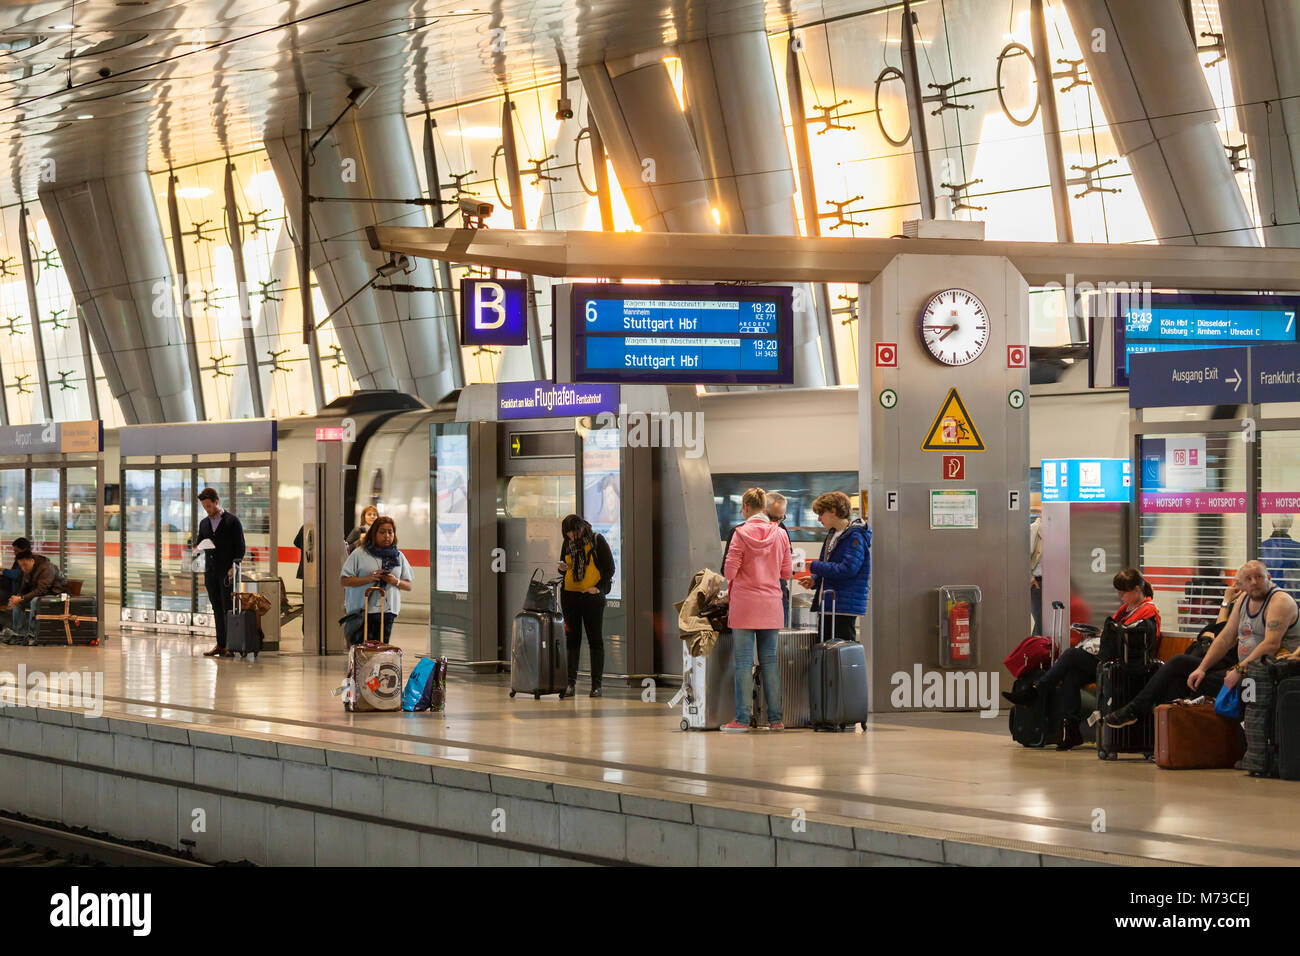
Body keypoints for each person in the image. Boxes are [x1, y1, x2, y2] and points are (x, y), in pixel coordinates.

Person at [1004, 568, 1160, 750]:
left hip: (1122, 665)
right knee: (1072, 676)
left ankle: (1036, 690)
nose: (1119, 596)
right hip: (1110, 660)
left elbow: (1132, 638)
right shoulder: (1127, 609)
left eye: (1122, 592)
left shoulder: (1148, 611)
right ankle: (1070, 730)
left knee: (1071, 655)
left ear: (1136, 589)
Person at [720, 488, 791, 733]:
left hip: (744, 606)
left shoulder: (740, 534)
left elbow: (728, 572)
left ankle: (741, 719)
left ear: (747, 508)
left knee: (743, 663)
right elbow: (786, 573)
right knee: (770, 661)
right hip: (771, 605)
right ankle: (776, 719)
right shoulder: (780, 534)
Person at [555, 514, 615, 698]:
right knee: (572, 640)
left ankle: (596, 685)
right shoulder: (567, 543)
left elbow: (610, 568)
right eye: (568, 534)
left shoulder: (597, 540)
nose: (571, 537)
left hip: (591, 598)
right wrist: (561, 568)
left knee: (595, 640)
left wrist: (598, 589)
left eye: (573, 533)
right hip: (570, 595)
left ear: (581, 528)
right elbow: (563, 565)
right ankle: (570, 684)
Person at [799, 491, 871, 643]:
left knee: (840, 652)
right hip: (830, 604)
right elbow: (829, 564)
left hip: (843, 605)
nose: (819, 519)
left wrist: (815, 567)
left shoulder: (854, 536)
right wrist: (815, 580)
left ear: (833, 510)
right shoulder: (833, 535)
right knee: (827, 649)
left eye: (821, 514)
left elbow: (848, 569)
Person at [340, 516, 413, 645]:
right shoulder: (359, 554)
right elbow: (344, 581)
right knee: (362, 652)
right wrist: (369, 579)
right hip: (363, 611)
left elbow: (408, 585)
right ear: (374, 533)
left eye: (390, 532)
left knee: (381, 651)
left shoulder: (398, 556)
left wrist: (394, 581)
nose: (387, 536)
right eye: (382, 532)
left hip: (387, 611)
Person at [195, 488, 245, 658]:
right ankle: (221, 644)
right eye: (204, 507)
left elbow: (240, 548)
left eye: (209, 506)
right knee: (216, 608)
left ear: (216, 502)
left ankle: (230, 645)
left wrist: (234, 568)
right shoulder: (203, 523)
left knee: (227, 608)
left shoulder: (232, 521)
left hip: (227, 572)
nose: (207, 510)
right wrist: (195, 548)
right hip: (210, 571)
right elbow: (199, 542)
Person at [3, 546, 65, 641]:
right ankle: (19, 634)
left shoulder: (46, 567)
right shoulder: (28, 569)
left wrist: (21, 598)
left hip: (56, 597)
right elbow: (23, 588)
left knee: (35, 601)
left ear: (32, 561)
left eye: (25, 565)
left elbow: (42, 590)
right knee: (18, 603)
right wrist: (16, 598)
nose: (23, 569)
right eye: (21, 566)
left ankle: (33, 635)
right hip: (40, 596)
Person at [1261, 516, 1300, 598]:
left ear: (1272, 524)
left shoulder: (1261, 547)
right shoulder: (1297, 548)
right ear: (1290, 524)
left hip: (1267, 597)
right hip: (1292, 598)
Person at [1029, 513, 1043, 635]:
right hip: (1038, 582)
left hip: (1053, 581)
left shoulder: (1057, 530)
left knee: (1045, 622)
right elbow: (1023, 555)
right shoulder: (1035, 529)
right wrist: (1031, 579)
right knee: (1040, 621)